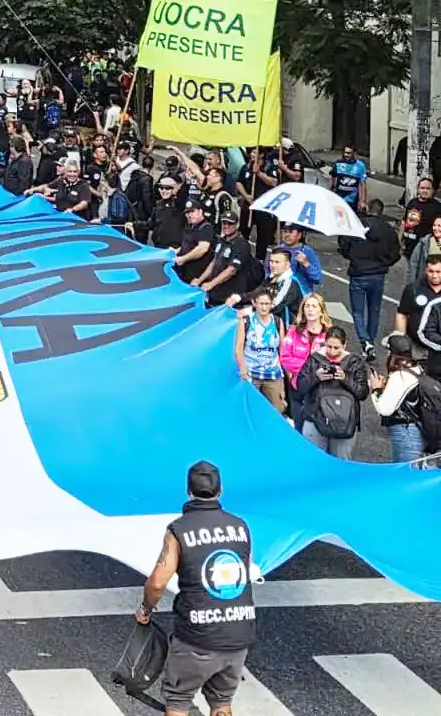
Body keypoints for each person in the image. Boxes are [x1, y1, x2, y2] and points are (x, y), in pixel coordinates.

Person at [136, 461, 255, 716]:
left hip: (197, 636)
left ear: (188, 492)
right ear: (220, 491)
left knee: (178, 700)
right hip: (238, 632)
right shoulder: (241, 527)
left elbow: (157, 582)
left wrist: (145, 610)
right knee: (222, 702)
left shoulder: (179, 530)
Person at [338, 199, 400, 360]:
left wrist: (353, 258)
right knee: (374, 311)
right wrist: (384, 263)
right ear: (381, 211)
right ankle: (369, 343)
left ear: (368, 209)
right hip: (378, 275)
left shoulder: (356, 225)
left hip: (358, 274)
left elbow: (343, 245)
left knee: (358, 312)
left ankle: (365, 342)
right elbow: (396, 253)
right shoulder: (388, 230)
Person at [297, 325, 371, 459]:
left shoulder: (355, 363)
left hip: (344, 422)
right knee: (313, 463)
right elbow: (300, 387)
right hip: (315, 417)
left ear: (345, 345)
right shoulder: (314, 359)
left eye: (336, 348)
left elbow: (362, 393)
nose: (331, 351)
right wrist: (316, 377)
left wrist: (345, 378)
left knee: (341, 465)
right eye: (329, 346)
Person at [371, 334, 426, 463]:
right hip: (418, 430)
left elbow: (384, 409)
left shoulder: (400, 376)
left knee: (404, 475)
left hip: (406, 434)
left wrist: (376, 389)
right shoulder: (416, 369)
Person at [280, 293, 332, 430]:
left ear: (321, 311)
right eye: (307, 306)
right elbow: (285, 358)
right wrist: (309, 368)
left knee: (318, 430)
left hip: (320, 390)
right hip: (298, 388)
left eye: (314, 306)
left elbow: (334, 360)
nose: (310, 309)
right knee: (299, 428)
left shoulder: (329, 334)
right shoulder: (293, 331)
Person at [234, 288, 286, 413]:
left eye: (267, 304)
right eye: (261, 304)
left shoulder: (278, 322)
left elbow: (282, 348)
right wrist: (243, 369)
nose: (263, 307)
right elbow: (238, 348)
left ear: (271, 304)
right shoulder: (246, 321)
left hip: (273, 373)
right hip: (251, 373)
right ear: (254, 303)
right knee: (248, 409)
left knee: (278, 409)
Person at [192, 211, 259, 306]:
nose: (226, 226)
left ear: (237, 225)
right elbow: (214, 262)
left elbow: (232, 270)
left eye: (230, 223)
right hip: (215, 293)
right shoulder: (221, 241)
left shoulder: (242, 245)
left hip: (229, 297)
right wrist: (200, 280)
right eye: (224, 223)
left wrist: (211, 284)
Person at [395, 254, 441, 363]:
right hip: (415, 347)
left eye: (438, 272)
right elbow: (402, 314)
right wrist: (400, 341)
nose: (434, 275)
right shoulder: (413, 289)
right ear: (425, 270)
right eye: (431, 271)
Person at [172, 199, 215, 285]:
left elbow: (202, 249)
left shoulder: (206, 227)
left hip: (197, 277)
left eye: (192, 211)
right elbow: (188, 245)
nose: (189, 215)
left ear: (200, 211)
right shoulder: (190, 227)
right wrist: (177, 251)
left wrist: (183, 258)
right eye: (187, 213)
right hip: (185, 274)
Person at [402, 177, 441, 262]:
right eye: (422, 188)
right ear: (418, 189)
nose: (425, 191)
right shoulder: (412, 203)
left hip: (425, 249)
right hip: (409, 247)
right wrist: (400, 240)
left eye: (428, 188)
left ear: (433, 190)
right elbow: (404, 222)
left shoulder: (437, 207)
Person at [329, 145, 368, 210]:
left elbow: (362, 184)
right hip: (339, 199)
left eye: (349, 153)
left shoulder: (360, 166)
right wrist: (330, 192)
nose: (346, 155)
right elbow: (332, 178)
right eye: (345, 152)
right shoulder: (338, 164)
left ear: (354, 154)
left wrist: (362, 201)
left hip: (353, 201)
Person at [407, 215, 441, 284]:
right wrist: (411, 284)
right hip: (424, 284)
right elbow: (414, 263)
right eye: (434, 225)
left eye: (439, 226)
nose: (435, 228)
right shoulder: (424, 242)